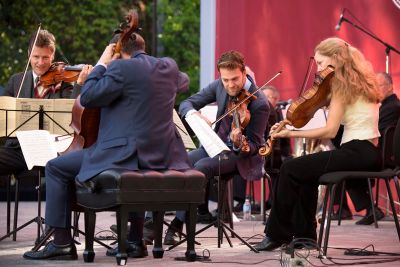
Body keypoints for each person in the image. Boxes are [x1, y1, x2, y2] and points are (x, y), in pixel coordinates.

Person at [23, 32, 191, 260]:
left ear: (118, 51)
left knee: (56, 167)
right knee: (136, 170)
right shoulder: (167, 67)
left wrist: (102, 64)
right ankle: (134, 240)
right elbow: (184, 81)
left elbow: (89, 96)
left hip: (123, 154)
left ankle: (62, 243)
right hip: (160, 155)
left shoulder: (119, 69)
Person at [255, 37, 382, 251]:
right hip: (367, 151)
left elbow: (330, 130)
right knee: (304, 171)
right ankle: (306, 236)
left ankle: (276, 234)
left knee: (289, 167)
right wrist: (293, 120)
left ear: (336, 59)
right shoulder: (356, 81)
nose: (319, 69)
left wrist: (289, 133)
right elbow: (315, 107)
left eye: (321, 64)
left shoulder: (341, 86)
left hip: (357, 150)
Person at [162, 50, 269, 245]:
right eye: (225, 79)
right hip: (214, 145)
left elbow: (254, 145)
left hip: (239, 156)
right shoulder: (220, 86)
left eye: (234, 79)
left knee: (202, 166)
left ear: (244, 72)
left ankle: (177, 224)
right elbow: (187, 103)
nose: (230, 85)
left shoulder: (259, 103)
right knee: (176, 161)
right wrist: (194, 115)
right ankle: (151, 223)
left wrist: (240, 143)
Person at [0, 30, 83, 180]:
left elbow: (74, 114)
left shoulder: (64, 83)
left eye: (45, 57)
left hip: (53, 150)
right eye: (36, 57)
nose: (40, 62)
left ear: (53, 56)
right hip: (19, 150)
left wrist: (79, 84)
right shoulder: (16, 81)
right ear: (28, 54)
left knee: (74, 168)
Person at [328, 71, 400, 225]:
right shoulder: (386, 106)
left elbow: (375, 132)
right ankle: (358, 209)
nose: (375, 89)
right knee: (342, 157)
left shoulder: (392, 107)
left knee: (343, 161)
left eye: (379, 85)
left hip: (380, 157)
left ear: (390, 87)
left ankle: (364, 208)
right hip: (375, 153)